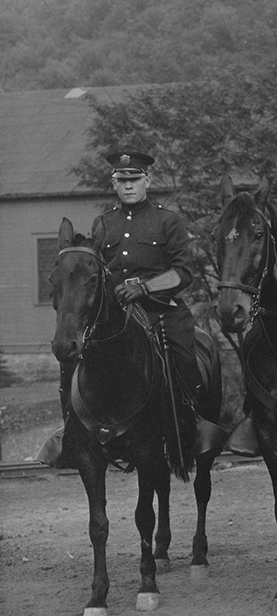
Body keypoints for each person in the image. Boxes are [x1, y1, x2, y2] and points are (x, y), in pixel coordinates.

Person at [93, 150, 224, 455]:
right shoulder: (103, 223)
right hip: (115, 313)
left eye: (135, 179)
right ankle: (73, 428)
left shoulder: (168, 220)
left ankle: (191, 422)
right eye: (121, 180)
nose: (128, 186)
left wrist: (146, 287)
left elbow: (182, 273)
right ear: (114, 183)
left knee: (184, 361)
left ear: (147, 180)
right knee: (76, 354)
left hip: (159, 311)